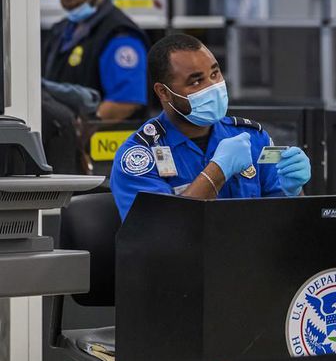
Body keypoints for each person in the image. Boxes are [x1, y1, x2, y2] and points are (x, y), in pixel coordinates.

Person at [110, 33, 311, 221]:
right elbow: (163, 230)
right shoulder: (140, 156)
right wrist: (217, 172)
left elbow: (288, 229)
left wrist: (294, 192)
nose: (212, 87)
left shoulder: (254, 138)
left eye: (215, 74)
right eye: (196, 81)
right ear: (164, 92)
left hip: (250, 255)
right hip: (185, 259)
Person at [42, 0, 149, 121]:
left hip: (100, 138)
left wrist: (84, 128)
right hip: (60, 135)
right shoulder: (60, 30)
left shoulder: (119, 34)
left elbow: (126, 102)